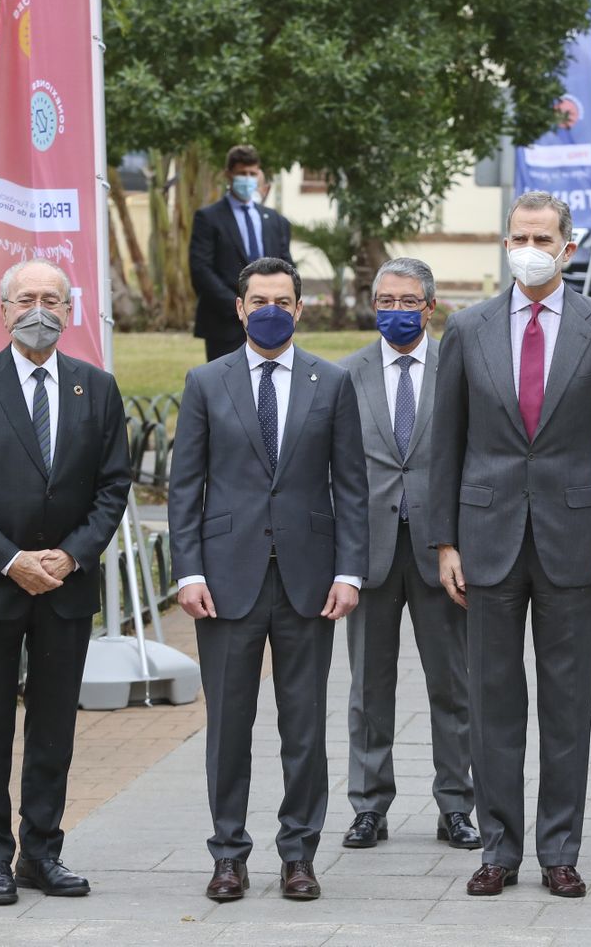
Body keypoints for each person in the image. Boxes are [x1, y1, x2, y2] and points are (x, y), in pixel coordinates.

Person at [430, 191, 591, 899]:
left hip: (571, 536)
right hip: (485, 536)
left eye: (542, 237)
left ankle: (559, 849)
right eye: (518, 235)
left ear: (567, 248)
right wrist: (443, 541)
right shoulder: (467, 328)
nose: (529, 247)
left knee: (566, 699)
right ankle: (498, 847)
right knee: (491, 698)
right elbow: (444, 444)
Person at [0, 258, 132, 906]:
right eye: (27, 298)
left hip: (65, 587)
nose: (39, 309)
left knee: (52, 727)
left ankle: (42, 850)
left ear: (70, 312)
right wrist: (13, 558)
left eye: (52, 298)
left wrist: (69, 557)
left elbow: (112, 486)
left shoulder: (95, 389)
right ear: (3, 310)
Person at [169, 256, 368, 904]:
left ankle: (298, 854)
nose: (270, 309)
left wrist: (349, 572)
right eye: (258, 299)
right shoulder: (206, 382)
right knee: (228, 725)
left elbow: (352, 486)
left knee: (304, 726)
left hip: (309, 581)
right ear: (239, 307)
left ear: (300, 307)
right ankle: (228, 854)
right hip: (225, 581)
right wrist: (189, 570)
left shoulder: (331, 382)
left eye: (282, 299)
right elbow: (185, 488)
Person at [335, 259, 478, 852]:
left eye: (408, 300)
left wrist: (464, 543)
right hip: (368, 552)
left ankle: (456, 807)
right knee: (369, 687)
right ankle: (369, 806)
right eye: (385, 300)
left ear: (430, 307)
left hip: (441, 550)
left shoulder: (461, 369)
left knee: (453, 685)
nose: (396, 310)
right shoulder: (346, 375)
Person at [189, 145, 294, 362]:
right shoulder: (209, 218)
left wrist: (277, 305)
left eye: (252, 173)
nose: (247, 179)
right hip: (224, 325)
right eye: (241, 174)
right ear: (229, 175)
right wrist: (240, 308)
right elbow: (201, 269)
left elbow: (287, 269)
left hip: (272, 323)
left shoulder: (276, 221)